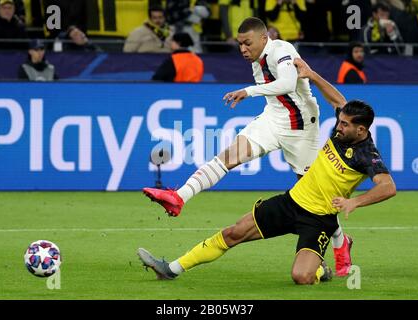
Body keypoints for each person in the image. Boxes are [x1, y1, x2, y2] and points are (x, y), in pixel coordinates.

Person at [137, 58, 396, 284]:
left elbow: (388, 187)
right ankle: (170, 269)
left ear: (361, 130)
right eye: (339, 122)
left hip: (319, 220)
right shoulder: (343, 128)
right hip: (291, 202)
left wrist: (355, 202)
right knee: (233, 233)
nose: (338, 127)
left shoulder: (367, 155)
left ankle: (320, 272)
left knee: (301, 277)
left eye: (345, 125)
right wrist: (312, 74)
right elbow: (339, 101)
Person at [143, 17, 353, 277]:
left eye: (247, 43)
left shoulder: (282, 50)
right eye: (239, 44)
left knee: (315, 197)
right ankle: (179, 197)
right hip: (273, 119)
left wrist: (248, 91)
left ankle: (340, 241)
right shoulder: (257, 60)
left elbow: (288, 84)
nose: (243, 49)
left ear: (264, 38)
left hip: (301, 129)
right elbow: (277, 95)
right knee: (228, 156)